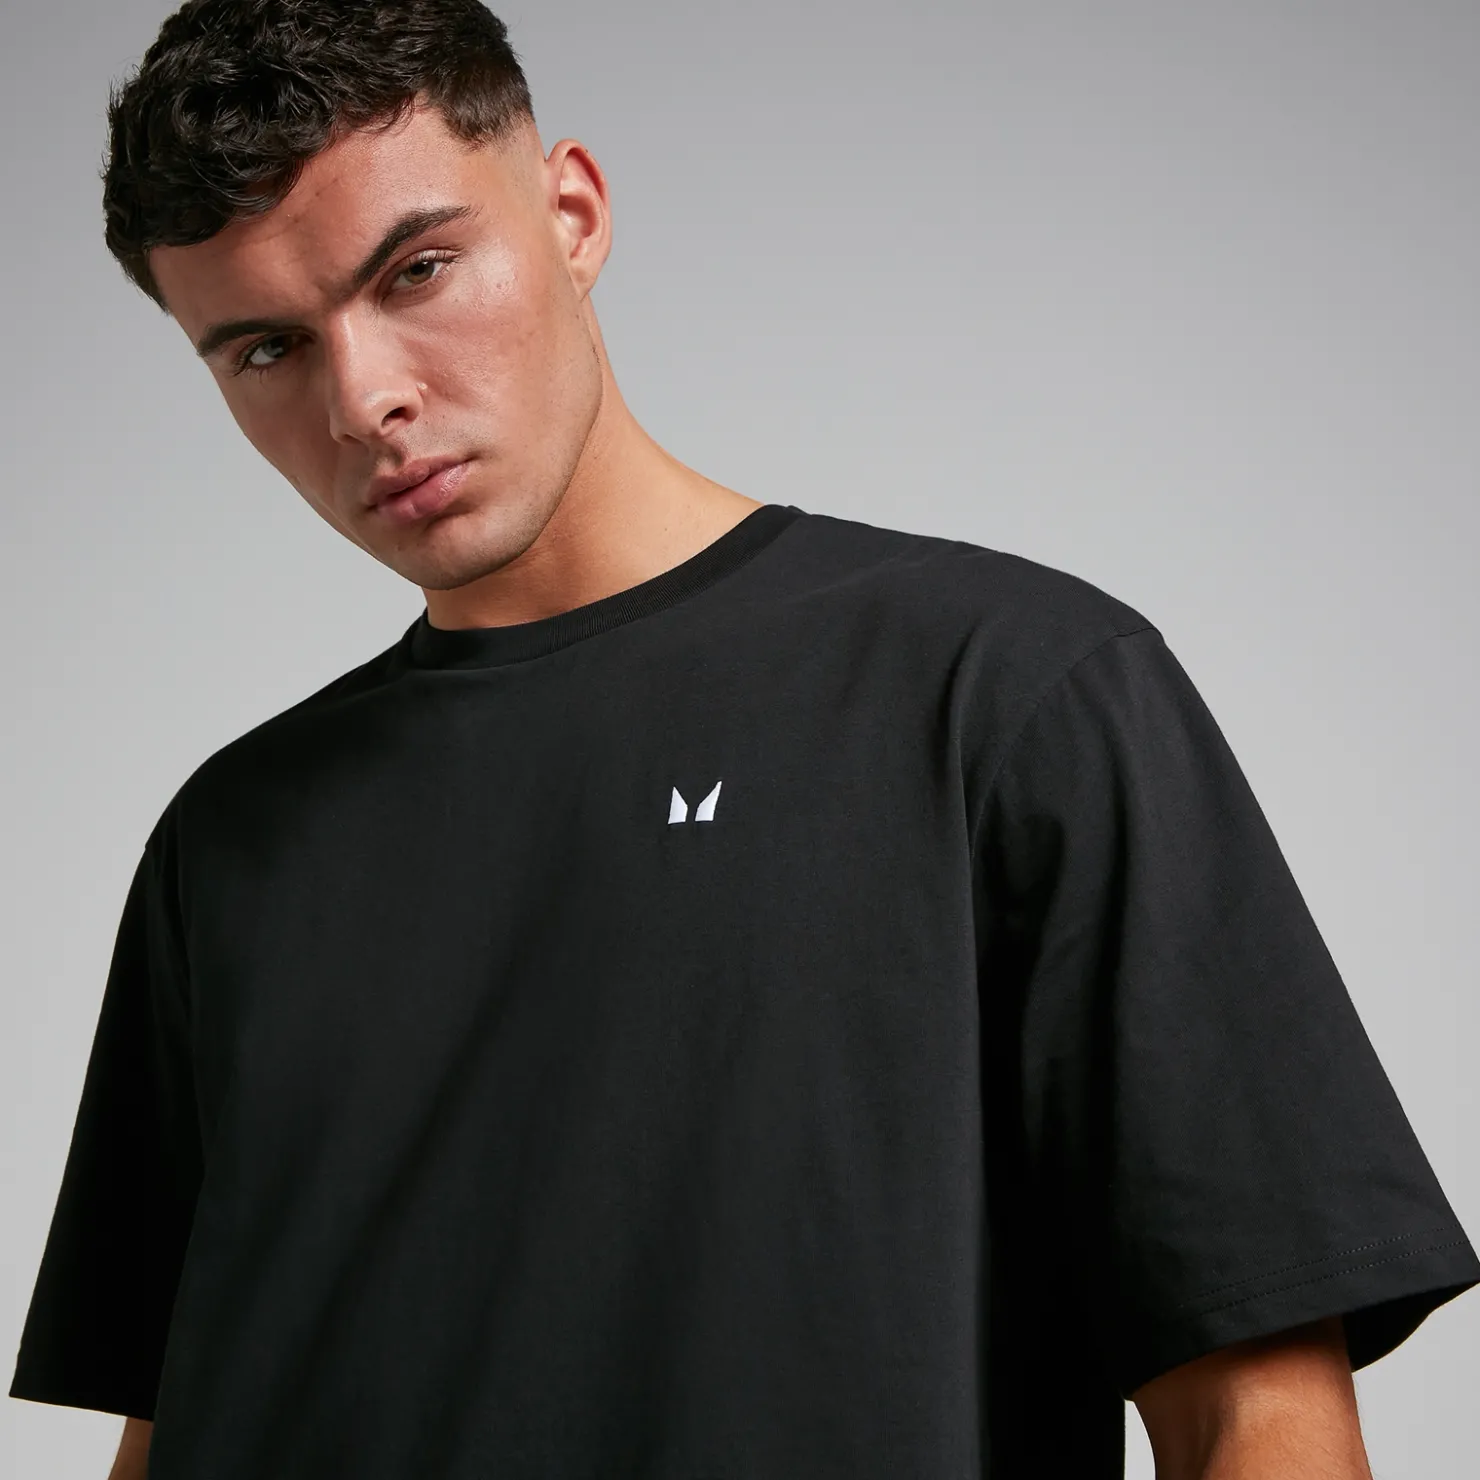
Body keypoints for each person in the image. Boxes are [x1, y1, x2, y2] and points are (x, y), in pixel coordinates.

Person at [9, 2, 1476, 1476]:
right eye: (266, 348)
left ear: (572, 213)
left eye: (420, 271)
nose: (364, 398)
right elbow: (169, 1424)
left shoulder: (1005, 692)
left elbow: (1258, 1420)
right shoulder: (234, 837)